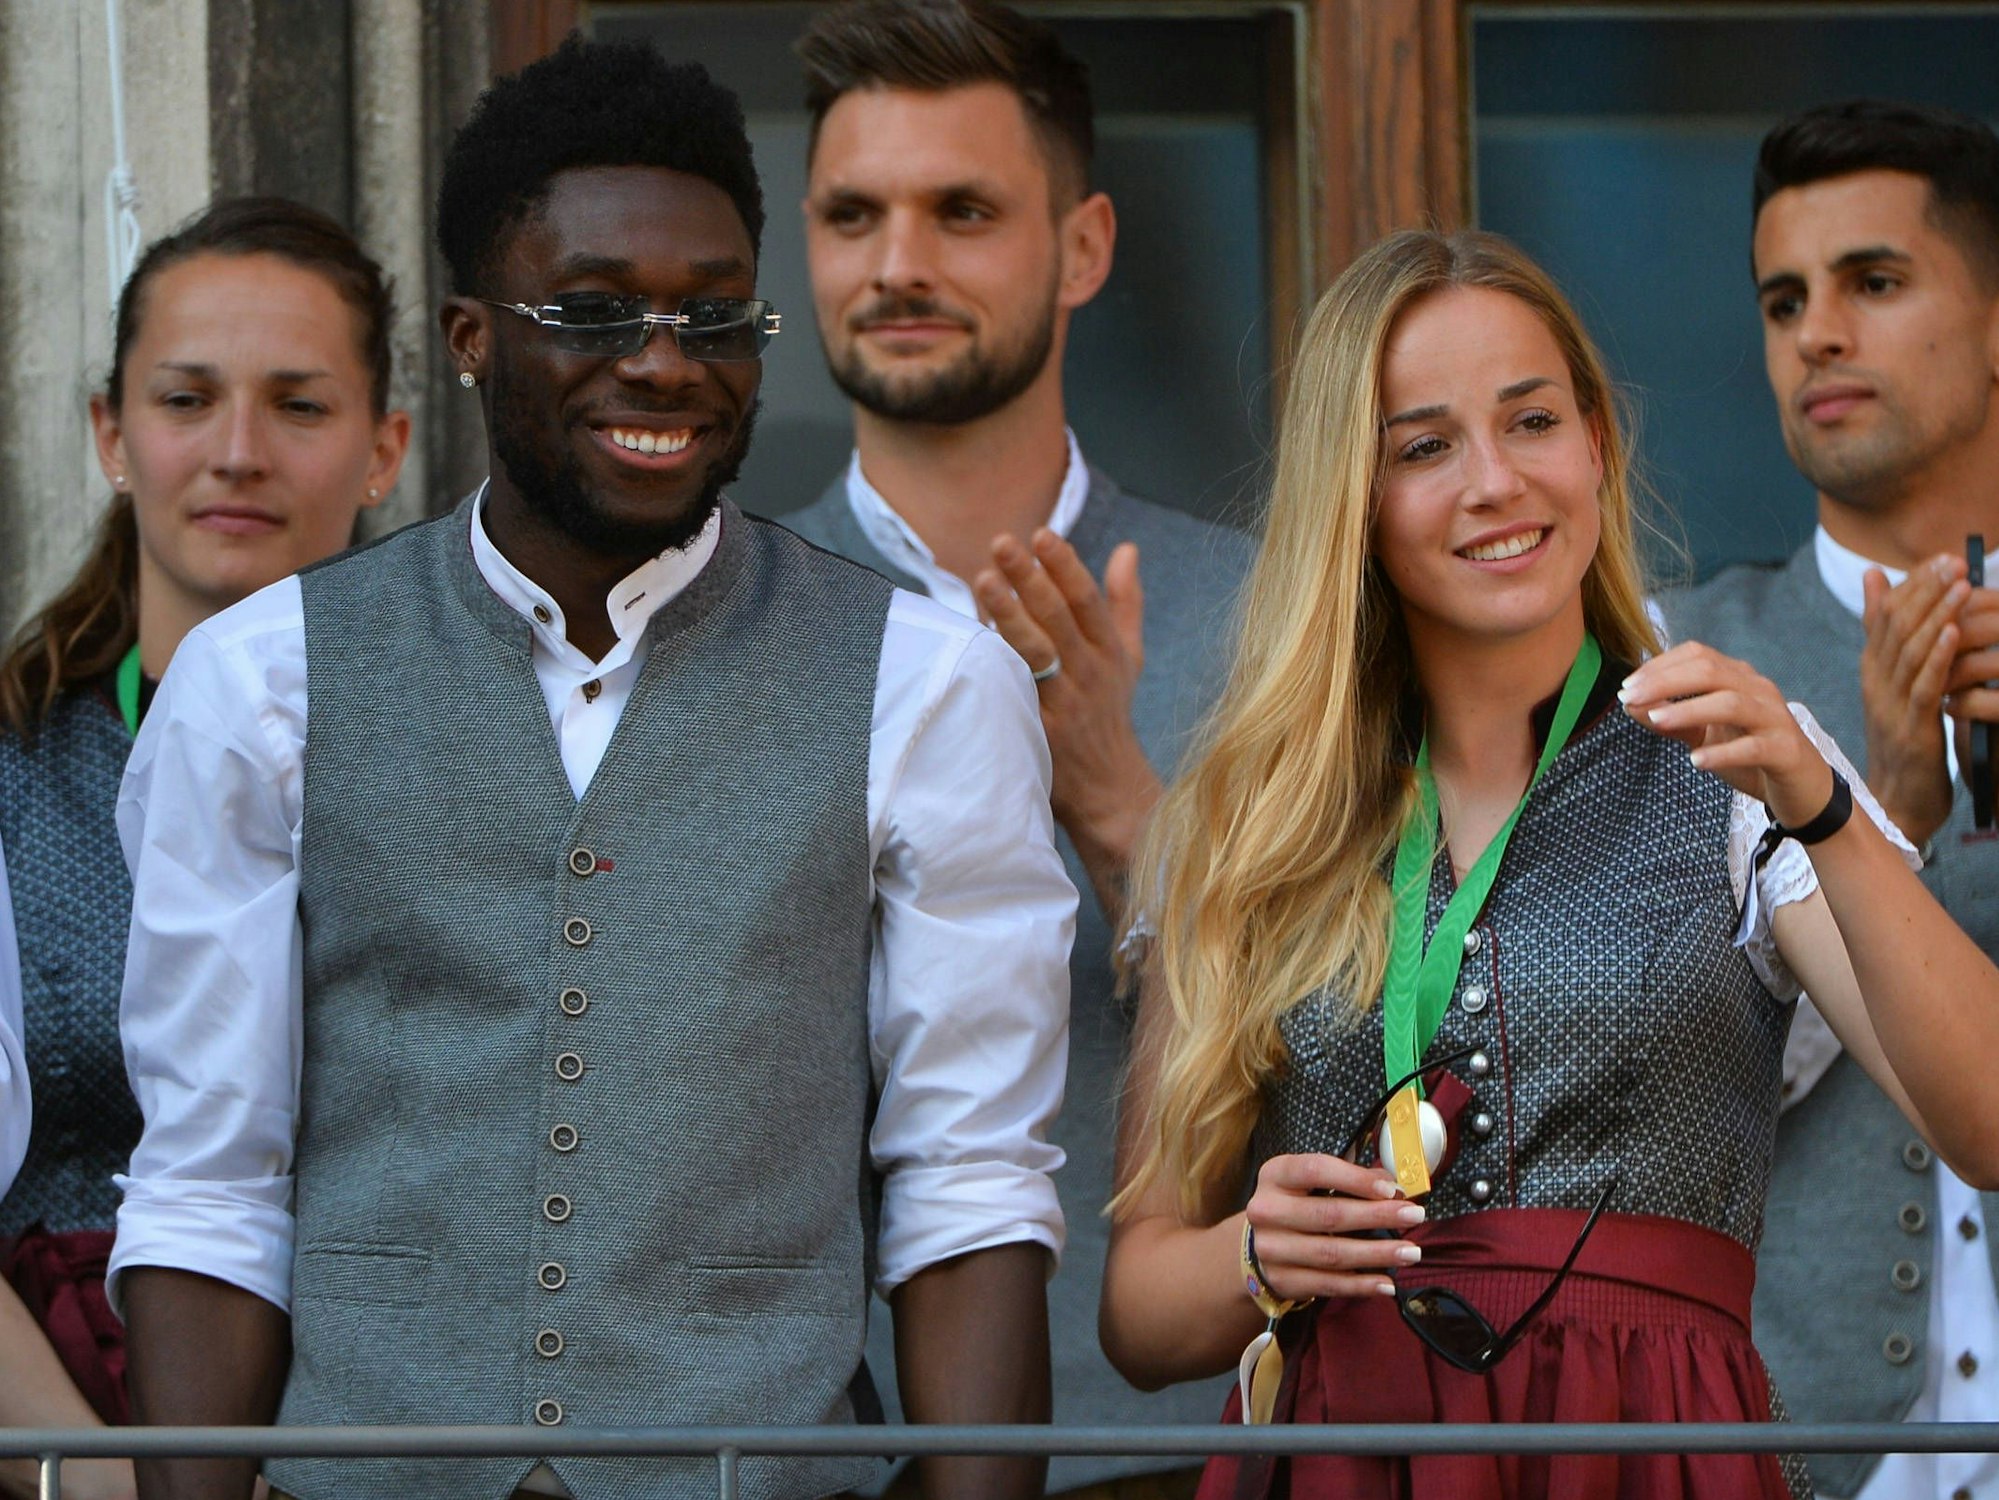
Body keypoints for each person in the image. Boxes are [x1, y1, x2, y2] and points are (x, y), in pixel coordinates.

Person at [109, 37, 1072, 1500]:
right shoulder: (260, 682)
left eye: (713, 313)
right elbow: (208, 1185)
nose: (664, 361)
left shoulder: (927, 683)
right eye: (594, 310)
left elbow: (970, 1185)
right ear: (471, 337)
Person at [1099, 227, 1999, 1500]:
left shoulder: (1739, 767)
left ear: (1596, 445)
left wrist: (1824, 807)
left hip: (1652, 1454)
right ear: (1350, 499)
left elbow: (1986, 1123)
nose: (1494, 481)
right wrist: (1251, 1252)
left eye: (1531, 421)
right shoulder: (1247, 823)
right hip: (1352, 1453)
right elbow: (1136, 1316)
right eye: (1423, 447)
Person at [778, 5, 1254, 1488]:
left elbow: (1377, 1055)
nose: (897, 263)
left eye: (962, 212)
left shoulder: (1271, 625)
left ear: (1085, 246)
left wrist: (1117, 804)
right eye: (852, 215)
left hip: (1174, 1450)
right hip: (795, 1454)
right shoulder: (710, 622)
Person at [0, 195, 410, 1500]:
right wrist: (103, 1482)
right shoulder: (10, 770)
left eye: (299, 406)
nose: (239, 453)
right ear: (111, 435)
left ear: (384, 447)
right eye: (186, 401)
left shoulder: (486, 764)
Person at [1660, 99, 1999, 1500]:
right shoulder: (1674, 669)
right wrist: (1881, 826)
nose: (1816, 334)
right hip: (1792, 1451)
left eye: (1872, 281)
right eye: (1782, 300)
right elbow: (1654, 1074)